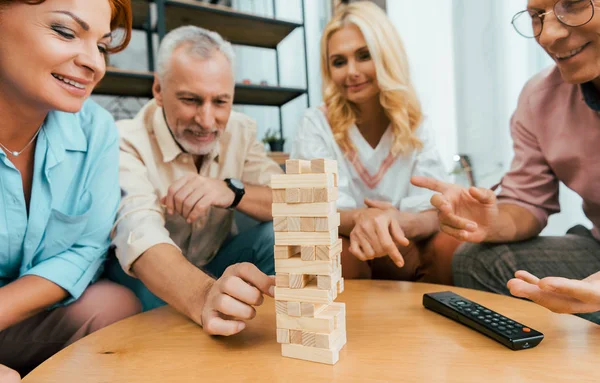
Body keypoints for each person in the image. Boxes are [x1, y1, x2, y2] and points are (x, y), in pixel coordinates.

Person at [412, 0, 600, 321]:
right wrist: (491, 222)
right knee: (478, 259)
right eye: (536, 16)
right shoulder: (539, 98)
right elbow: (527, 201)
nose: (547, 35)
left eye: (572, 4)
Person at [0, 0, 141, 383]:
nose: (95, 63)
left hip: (16, 317)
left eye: (103, 45)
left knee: (115, 306)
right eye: (65, 32)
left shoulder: (95, 129)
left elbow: (86, 246)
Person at [108, 26, 282, 336]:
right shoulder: (124, 141)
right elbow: (140, 238)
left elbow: (289, 200)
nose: (206, 120)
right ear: (159, 90)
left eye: (220, 102)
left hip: (216, 261)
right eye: (190, 100)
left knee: (276, 236)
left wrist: (231, 191)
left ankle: (280, 329)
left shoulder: (240, 130)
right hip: (150, 276)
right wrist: (203, 296)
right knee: (160, 311)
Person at [291, 1, 457, 282]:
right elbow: (316, 211)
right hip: (348, 248)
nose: (352, 72)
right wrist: (361, 220)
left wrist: (391, 221)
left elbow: (432, 211)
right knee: (336, 250)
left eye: (364, 55)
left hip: (403, 244)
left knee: (450, 244)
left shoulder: (415, 123)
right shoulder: (315, 124)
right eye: (339, 62)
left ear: (386, 56)